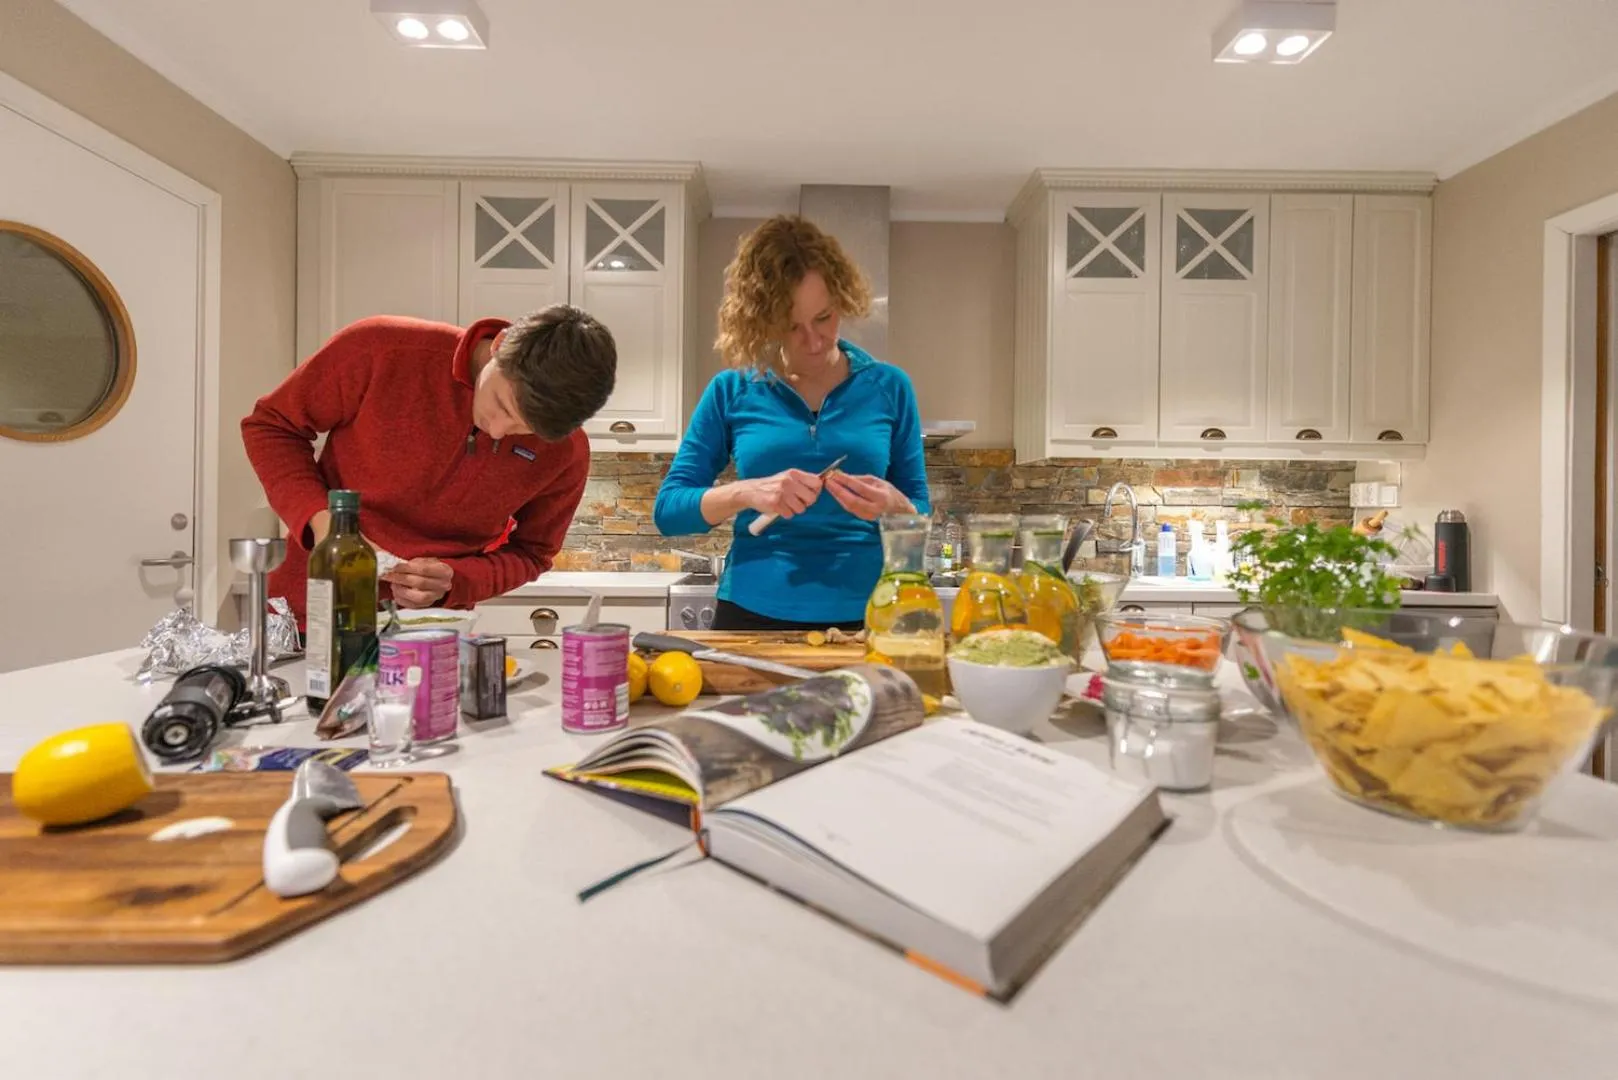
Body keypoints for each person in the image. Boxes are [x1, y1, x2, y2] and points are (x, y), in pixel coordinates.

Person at [242, 304, 616, 625]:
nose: (500, 431)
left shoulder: (567, 453)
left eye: (526, 429)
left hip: (432, 632)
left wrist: (457, 581)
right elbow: (272, 426)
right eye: (502, 405)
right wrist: (326, 528)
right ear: (501, 346)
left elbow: (532, 553)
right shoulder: (383, 348)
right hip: (312, 616)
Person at [654, 215, 930, 631]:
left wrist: (897, 507)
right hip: (752, 613)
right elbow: (669, 512)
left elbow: (919, 511)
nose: (814, 341)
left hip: (871, 615)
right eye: (790, 326)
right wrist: (747, 492)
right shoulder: (731, 389)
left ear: (842, 299)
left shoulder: (890, 387)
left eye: (824, 317)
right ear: (761, 321)